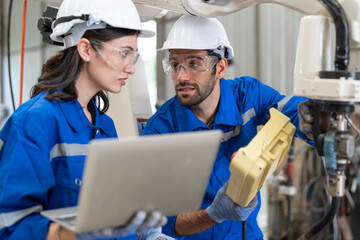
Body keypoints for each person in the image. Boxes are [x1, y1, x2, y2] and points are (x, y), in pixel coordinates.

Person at [0, 0, 174, 239]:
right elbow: (10, 227)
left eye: (133, 56)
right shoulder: (36, 122)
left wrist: (146, 233)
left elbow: (116, 211)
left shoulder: (104, 126)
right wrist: (75, 233)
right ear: (85, 49)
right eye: (124, 53)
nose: (131, 68)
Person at [142, 15, 313, 239]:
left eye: (194, 64)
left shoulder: (247, 96)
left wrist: (321, 118)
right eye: (175, 65)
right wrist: (214, 214)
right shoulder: (160, 130)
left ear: (220, 67)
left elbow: (292, 111)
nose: (181, 76)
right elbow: (165, 224)